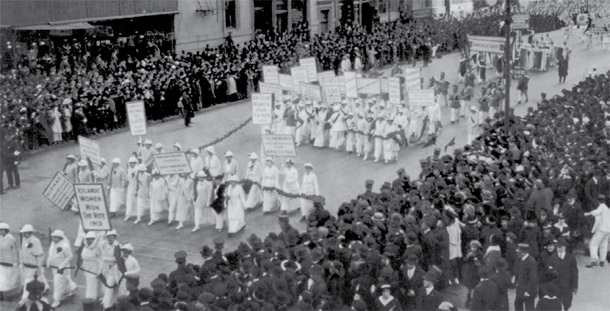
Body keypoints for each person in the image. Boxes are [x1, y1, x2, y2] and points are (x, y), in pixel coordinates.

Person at [47, 230, 77, 308]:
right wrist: (48, 262)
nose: (54, 239)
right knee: (63, 281)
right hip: (54, 268)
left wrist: (62, 266)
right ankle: (71, 287)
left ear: (60, 238)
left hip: (61, 269)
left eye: (56, 237)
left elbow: (70, 256)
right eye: (53, 237)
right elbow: (50, 255)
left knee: (57, 284)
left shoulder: (65, 246)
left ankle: (56, 301)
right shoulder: (52, 245)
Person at [20, 224, 48, 302]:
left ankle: (23, 301)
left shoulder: (35, 241)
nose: (23, 234)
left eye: (25, 233)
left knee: (28, 283)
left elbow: (40, 255)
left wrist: (38, 266)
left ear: (30, 233)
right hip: (26, 266)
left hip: (33, 267)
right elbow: (24, 251)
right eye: (23, 233)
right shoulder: (24, 239)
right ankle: (44, 289)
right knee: (38, 280)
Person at [549, 238, 578, 310]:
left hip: (567, 284)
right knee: (556, 302)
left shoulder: (571, 258)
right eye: (558, 247)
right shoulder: (553, 257)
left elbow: (574, 272)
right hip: (556, 284)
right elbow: (549, 269)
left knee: (567, 303)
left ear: (565, 247)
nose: (560, 249)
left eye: (561, 247)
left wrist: (575, 285)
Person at [584, 195, 610, 267]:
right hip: (607, 230)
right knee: (603, 245)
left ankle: (594, 260)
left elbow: (597, 211)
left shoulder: (602, 206)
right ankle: (602, 261)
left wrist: (589, 213)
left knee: (593, 244)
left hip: (601, 229)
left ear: (599, 201)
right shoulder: (608, 209)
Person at [514, 243, 538, 311]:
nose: (517, 253)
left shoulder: (531, 262)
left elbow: (533, 278)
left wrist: (528, 291)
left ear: (523, 252)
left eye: (518, 252)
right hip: (521, 289)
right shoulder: (521, 260)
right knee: (517, 305)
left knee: (529, 308)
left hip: (528, 291)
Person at [0, 222, 21, 299]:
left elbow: (15, 250)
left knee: (7, 278)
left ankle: (4, 293)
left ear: (6, 230)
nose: (0, 232)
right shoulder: (1, 238)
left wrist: (16, 261)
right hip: (1, 261)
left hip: (9, 261)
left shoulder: (11, 238)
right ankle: (1, 294)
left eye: (1, 230)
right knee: (1, 278)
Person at [79, 231, 102, 300]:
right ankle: (98, 296)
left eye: (91, 239)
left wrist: (100, 270)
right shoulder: (85, 248)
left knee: (91, 285)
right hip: (86, 269)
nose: (89, 241)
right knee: (91, 284)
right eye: (87, 239)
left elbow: (101, 260)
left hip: (94, 269)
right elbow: (82, 257)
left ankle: (90, 299)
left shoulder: (97, 248)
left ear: (94, 239)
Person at [124, 156, 139, 222]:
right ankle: (128, 215)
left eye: (132, 163)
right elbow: (128, 179)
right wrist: (126, 185)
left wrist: (137, 189)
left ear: (135, 163)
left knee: (136, 201)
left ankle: (137, 215)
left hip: (135, 186)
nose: (131, 164)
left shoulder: (137, 169)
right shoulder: (129, 169)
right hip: (130, 187)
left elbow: (138, 180)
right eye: (130, 163)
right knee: (129, 201)